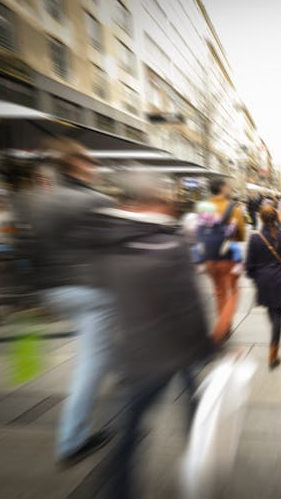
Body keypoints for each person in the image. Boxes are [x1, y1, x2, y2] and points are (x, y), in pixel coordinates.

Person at [78, 171, 215, 498]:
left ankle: (118, 489)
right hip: (175, 348)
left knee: (128, 429)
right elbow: (189, 306)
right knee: (195, 402)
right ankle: (199, 460)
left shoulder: (105, 242)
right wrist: (210, 348)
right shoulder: (171, 245)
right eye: (164, 198)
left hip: (132, 350)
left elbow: (99, 288)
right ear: (153, 201)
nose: (169, 205)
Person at [20, 138, 116, 466]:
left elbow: (31, 249)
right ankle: (72, 441)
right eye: (89, 161)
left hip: (53, 290)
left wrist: (32, 296)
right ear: (77, 164)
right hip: (91, 292)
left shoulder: (40, 202)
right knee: (91, 362)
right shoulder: (96, 201)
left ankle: (115, 368)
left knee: (99, 350)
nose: (94, 168)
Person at [245, 205, 281, 369]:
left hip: (263, 281)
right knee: (278, 315)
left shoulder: (255, 238)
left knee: (271, 313)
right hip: (280, 279)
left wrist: (257, 277)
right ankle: (273, 354)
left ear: (260, 219)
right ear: (277, 218)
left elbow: (248, 266)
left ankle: (274, 346)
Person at [204, 178, 246, 342]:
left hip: (209, 256)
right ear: (222, 189)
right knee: (234, 292)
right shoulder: (232, 207)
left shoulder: (203, 207)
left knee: (219, 292)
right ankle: (222, 328)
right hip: (227, 256)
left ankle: (225, 325)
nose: (230, 189)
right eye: (228, 186)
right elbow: (241, 233)